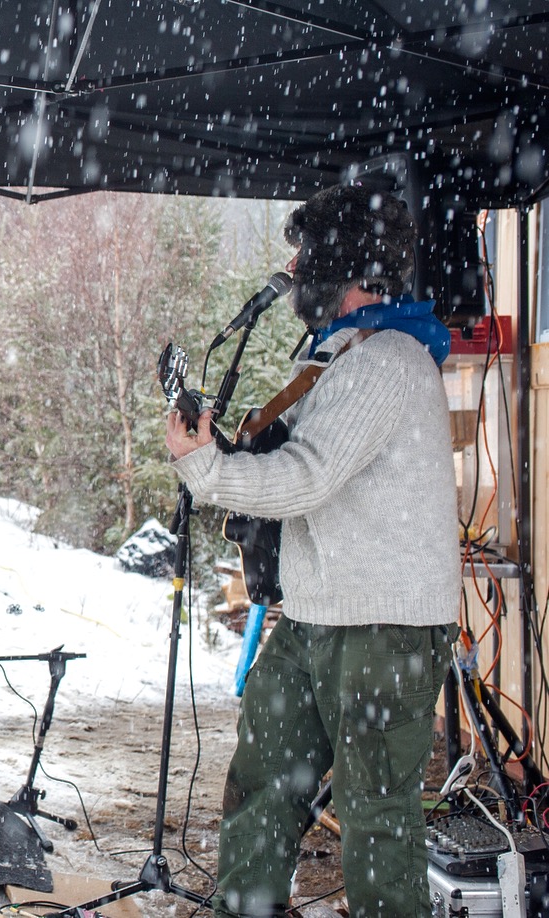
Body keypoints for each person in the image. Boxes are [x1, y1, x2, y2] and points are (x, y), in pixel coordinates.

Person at [164, 184, 460, 918]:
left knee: (376, 824)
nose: (292, 268)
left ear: (341, 260)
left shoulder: (387, 361)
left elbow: (308, 477)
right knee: (264, 783)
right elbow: (293, 467)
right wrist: (224, 454)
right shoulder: (336, 358)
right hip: (318, 615)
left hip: (383, 631)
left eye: (304, 252)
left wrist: (208, 470)